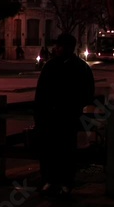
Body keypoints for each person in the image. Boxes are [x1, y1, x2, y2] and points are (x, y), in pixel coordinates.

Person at [34, 33, 95, 197]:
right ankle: (51, 180)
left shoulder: (79, 68)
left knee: (66, 151)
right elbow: (41, 95)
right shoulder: (51, 66)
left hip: (68, 116)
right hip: (53, 116)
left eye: (62, 46)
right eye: (58, 46)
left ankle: (63, 182)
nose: (58, 49)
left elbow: (88, 94)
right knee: (51, 150)